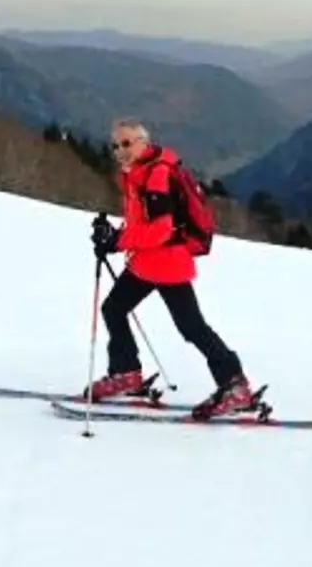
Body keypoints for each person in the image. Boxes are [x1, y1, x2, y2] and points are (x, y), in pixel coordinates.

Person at [87, 117, 254, 419]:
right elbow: (144, 221)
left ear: (143, 142)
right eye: (115, 145)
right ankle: (126, 373)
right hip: (148, 262)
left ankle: (235, 385)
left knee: (191, 327)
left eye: (127, 143)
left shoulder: (157, 175)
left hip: (167, 263)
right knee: (114, 309)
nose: (120, 150)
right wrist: (113, 234)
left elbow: (162, 229)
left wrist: (117, 240)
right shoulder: (140, 171)